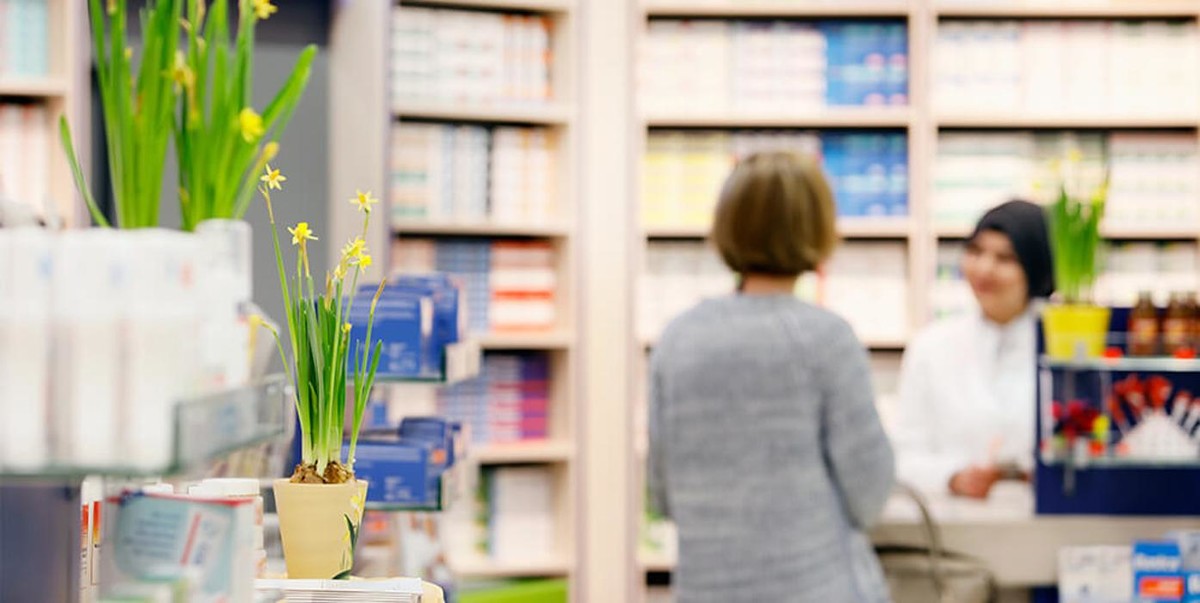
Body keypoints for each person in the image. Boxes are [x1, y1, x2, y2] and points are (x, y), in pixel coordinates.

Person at [647, 151, 896, 602]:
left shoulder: (678, 338)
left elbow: (662, 493)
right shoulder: (826, 339)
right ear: (817, 226)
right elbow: (870, 493)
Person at [893, 200, 1054, 499]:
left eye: (1005, 258)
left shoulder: (1060, 347)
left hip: (1043, 529)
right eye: (975, 252)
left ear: (1036, 269)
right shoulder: (931, 346)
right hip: (953, 529)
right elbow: (903, 457)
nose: (984, 268)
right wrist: (953, 476)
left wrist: (1030, 473)